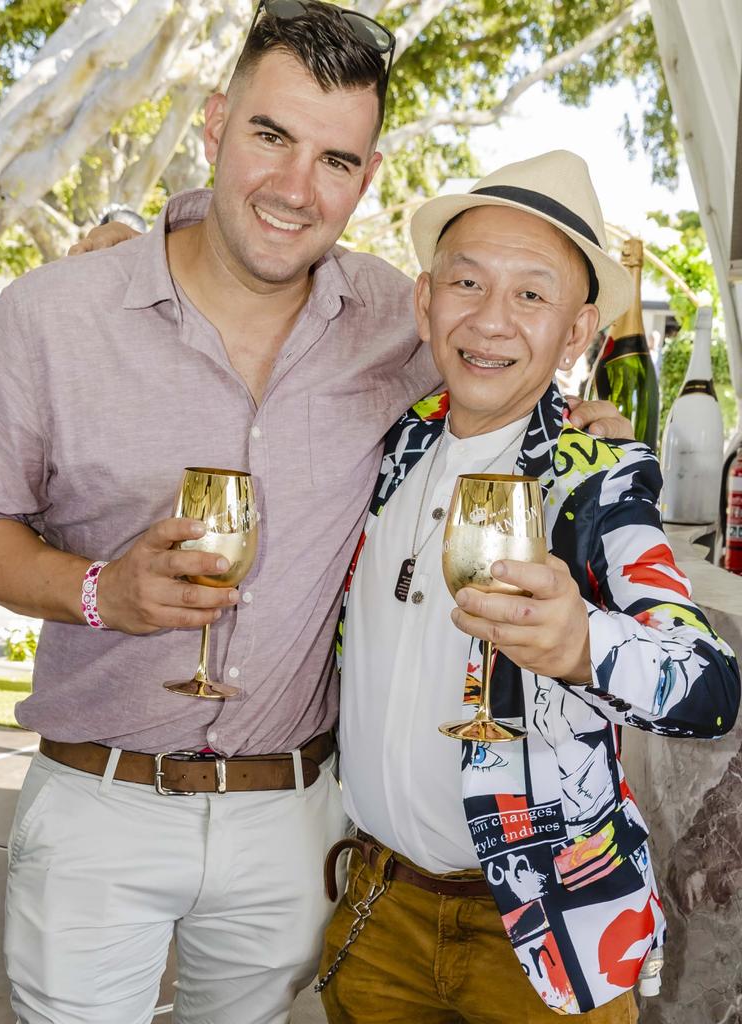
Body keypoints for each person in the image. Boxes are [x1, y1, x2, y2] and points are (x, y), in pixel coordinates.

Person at [0, 2, 628, 1020]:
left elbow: (501, 348)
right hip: (97, 805)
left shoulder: (395, 318)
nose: (294, 188)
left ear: (366, 178)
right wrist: (102, 592)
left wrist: (576, 415)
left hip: (292, 819)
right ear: (213, 123)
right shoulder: (51, 318)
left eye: (334, 159)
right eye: (270, 137)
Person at [317, 151, 741, 1023]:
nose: (492, 321)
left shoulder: (600, 478)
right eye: (466, 283)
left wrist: (587, 645)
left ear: (577, 333)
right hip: (379, 904)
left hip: (547, 931)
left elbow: (709, 687)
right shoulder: (389, 444)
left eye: (532, 295)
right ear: (424, 299)